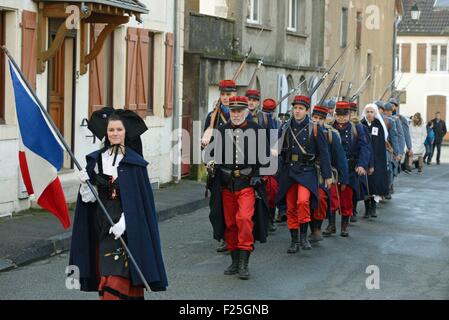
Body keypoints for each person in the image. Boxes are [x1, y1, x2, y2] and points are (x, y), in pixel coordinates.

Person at [70, 109, 168, 300]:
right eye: (111, 130)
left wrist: (125, 223)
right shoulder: (97, 159)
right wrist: (85, 184)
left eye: (119, 129)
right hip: (102, 223)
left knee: (116, 280)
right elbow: (89, 200)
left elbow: (139, 201)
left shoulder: (134, 163)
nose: (115, 133)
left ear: (125, 132)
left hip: (126, 227)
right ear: (106, 133)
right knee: (106, 276)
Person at [208, 96, 270, 280]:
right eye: (233, 111)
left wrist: (258, 175)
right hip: (226, 184)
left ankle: (244, 263)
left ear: (246, 112)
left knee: (244, 219)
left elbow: (266, 158)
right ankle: (234, 261)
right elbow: (211, 154)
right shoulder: (222, 130)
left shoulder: (256, 130)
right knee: (230, 224)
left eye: (239, 111)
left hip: (247, 184)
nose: (236, 114)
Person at [277, 96, 332, 252]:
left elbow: (324, 153)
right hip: (289, 170)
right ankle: (294, 240)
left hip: (307, 171)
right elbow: (278, 150)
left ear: (306, 110)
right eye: (295, 108)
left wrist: (328, 176)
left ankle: (303, 236)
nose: (297, 111)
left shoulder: (315, 128)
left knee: (302, 202)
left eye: (300, 108)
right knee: (291, 206)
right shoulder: (285, 126)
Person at [203, 79, 236, 253]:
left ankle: (235, 238)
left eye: (228, 94)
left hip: (237, 166)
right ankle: (223, 237)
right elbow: (205, 143)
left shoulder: (238, 114)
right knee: (217, 207)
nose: (225, 98)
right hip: (218, 167)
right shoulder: (212, 116)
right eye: (223, 94)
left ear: (235, 95)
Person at [330, 101, 371, 236]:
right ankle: (331, 225)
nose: (341, 118)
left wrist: (362, 164)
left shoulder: (356, 127)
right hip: (333, 169)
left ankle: (344, 226)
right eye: (339, 115)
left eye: (344, 115)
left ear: (349, 114)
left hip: (350, 168)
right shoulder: (330, 127)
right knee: (331, 197)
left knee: (346, 198)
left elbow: (365, 147)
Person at [311, 105, 349, 241]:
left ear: (325, 120)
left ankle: (317, 228)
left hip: (324, 173)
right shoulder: (305, 130)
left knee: (322, 200)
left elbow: (340, 158)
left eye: (320, 119)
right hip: (305, 171)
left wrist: (344, 179)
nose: (317, 121)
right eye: (314, 118)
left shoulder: (331, 134)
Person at [361, 104, 389, 218]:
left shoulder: (378, 125)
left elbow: (379, 145)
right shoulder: (361, 124)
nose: (369, 114)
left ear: (375, 113)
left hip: (377, 160)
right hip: (364, 158)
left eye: (372, 112)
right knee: (365, 185)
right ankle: (367, 208)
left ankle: (373, 207)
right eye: (367, 111)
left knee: (374, 185)